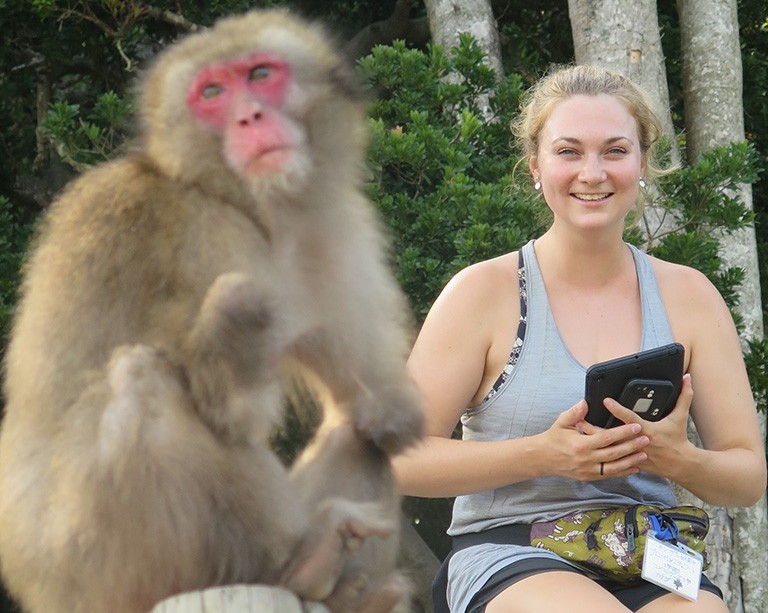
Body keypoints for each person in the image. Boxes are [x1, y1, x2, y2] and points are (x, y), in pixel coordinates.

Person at [393, 64, 766, 613]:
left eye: (614, 150)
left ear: (642, 162)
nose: (592, 172)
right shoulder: (481, 293)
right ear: (535, 166)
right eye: (568, 151)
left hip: (647, 552)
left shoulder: (690, 296)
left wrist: (678, 459)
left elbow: (747, 477)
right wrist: (544, 455)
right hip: (511, 550)